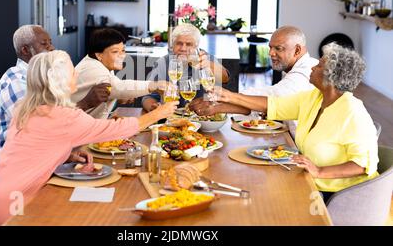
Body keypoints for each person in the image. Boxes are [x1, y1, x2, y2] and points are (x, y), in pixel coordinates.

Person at [0, 50, 178, 226]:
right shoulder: (65, 117)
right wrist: (159, 113)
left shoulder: (26, 107)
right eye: (73, 71)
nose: (77, 74)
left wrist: (64, 154)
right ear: (61, 81)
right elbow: (116, 129)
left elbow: (31, 149)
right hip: (14, 212)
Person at [192, 43, 379, 200]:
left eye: (319, 66)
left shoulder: (352, 111)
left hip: (340, 196)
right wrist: (228, 97)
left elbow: (363, 164)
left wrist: (320, 171)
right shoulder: (314, 98)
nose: (312, 67)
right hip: (311, 183)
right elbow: (271, 105)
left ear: (332, 77)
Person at [0, 25, 109, 166]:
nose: (51, 48)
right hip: (12, 164)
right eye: (44, 44)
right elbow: (43, 125)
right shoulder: (16, 81)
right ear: (25, 50)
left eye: (50, 42)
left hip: (37, 153)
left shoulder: (41, 76)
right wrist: (85, 103)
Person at [190, 26, 318, 137]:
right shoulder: (300, 68)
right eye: (270, 47)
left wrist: (226, 98)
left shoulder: (306, 72)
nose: (271, 53)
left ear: (297, 50)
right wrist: (217, 107)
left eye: (278, 48)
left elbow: (273, 100)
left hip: (302, 151)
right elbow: (263, 105)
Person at [72, 28, 171, 119]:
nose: (122, 56)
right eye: (115, 52)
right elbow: (118, 87)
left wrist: (117, 98)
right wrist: (154, 85)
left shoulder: (101, 65)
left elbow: (111, 90)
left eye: (123, 50)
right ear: (99, 55)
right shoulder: (92, 68)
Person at [142, 23, 230, 112]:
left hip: (201, 116)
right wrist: (153, 107)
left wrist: (207, 64)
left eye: (188, 44)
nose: (183, 48)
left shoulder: (205, 58)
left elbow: (225, 78)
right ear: (173, 45)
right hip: (170, 117)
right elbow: (149, 96)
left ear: (196, 46)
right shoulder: (162, 62)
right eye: (179, 43)